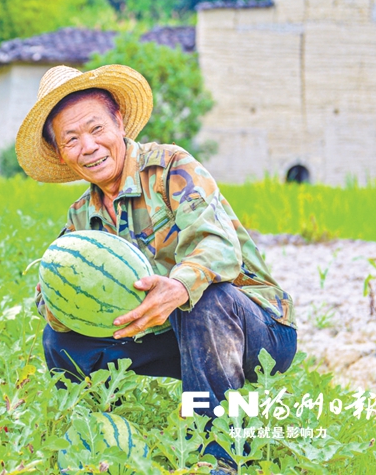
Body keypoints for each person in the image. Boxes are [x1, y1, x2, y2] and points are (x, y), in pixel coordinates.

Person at [15, 64, 297, 471]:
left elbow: (218, 246)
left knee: (202, 297)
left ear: (119, 122)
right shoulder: (81, 217)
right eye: (71, 139)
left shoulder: (170, 168)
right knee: (61, 342)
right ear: (61, 153)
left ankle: (218, 456)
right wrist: (58, 305)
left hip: (257, 327)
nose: (88, 146)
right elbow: (48, 292)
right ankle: (99, 440)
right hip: (174, 336)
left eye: (96, 129)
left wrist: (178, 286)